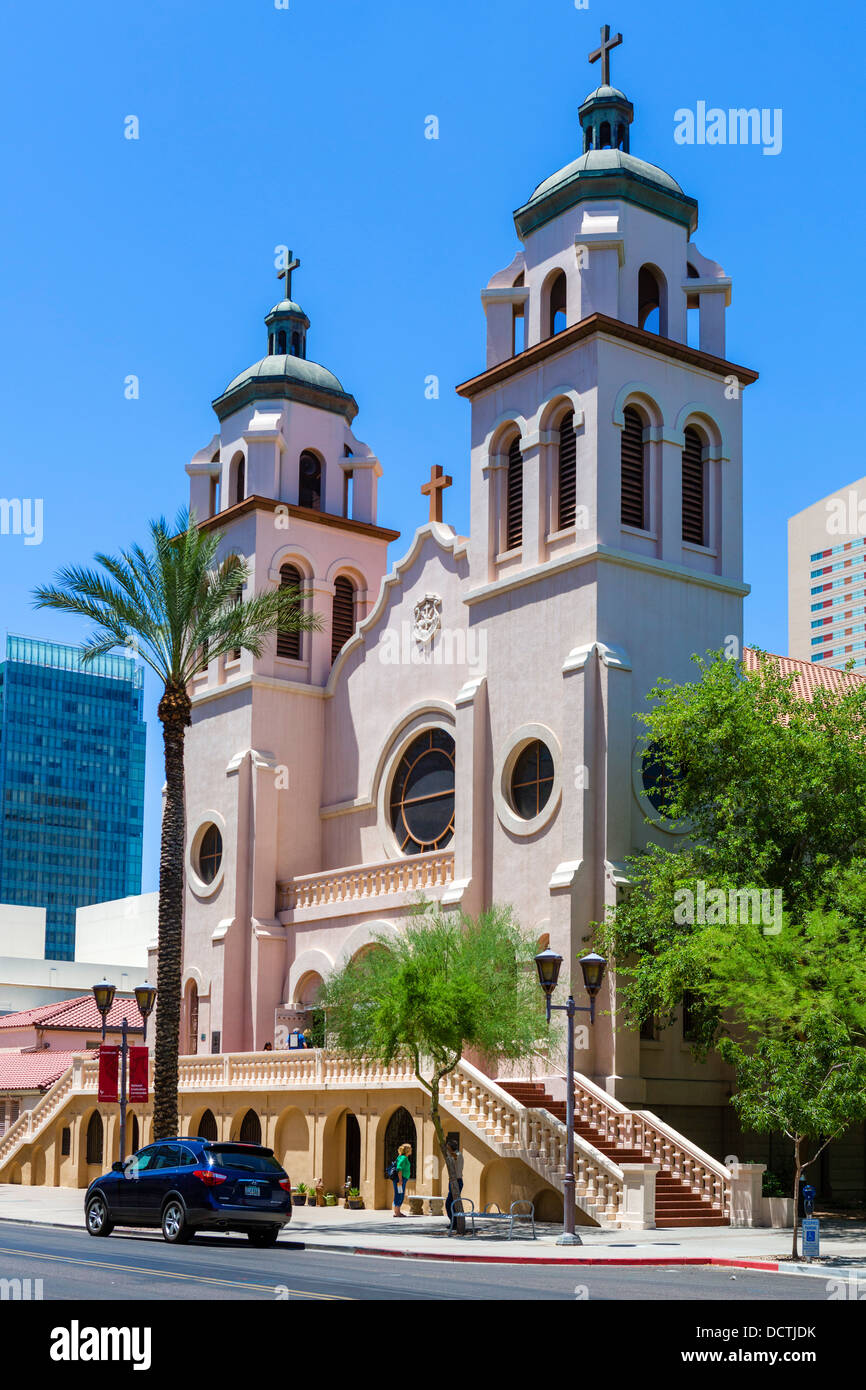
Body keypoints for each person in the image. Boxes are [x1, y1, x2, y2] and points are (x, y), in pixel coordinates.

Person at [444, 1137, 464, 1225]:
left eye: (448, 1147)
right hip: (454, 1181)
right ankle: (454, 1222)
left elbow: (454, 1157)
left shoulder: (456, 1155)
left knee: (449, 1203)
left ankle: (455, 1222)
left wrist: (447, 1153)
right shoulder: (456, 1154)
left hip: (456, 1181)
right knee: (452, 1202)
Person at [392, 1142, 412, 1217]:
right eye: (410, 1149)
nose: (411, 1150)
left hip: (401, 1179)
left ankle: (397, 1211)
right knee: (400, 1194)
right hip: (401, 1179)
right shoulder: (403, 1158)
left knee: (398, 1193)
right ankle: (397, 1212)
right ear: (407, 1150)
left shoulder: (400, 1157)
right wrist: (400, 1180)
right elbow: (399, 1168)